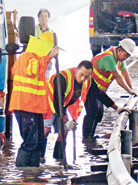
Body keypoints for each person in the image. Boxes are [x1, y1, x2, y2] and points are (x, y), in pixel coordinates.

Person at [44, 60, 130, 160]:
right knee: (46, 130)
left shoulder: (88, 81)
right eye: (81, 75)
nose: (82, 78)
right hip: (47, 104)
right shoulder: (62, 78)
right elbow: (57, 101)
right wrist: (66, 120)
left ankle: (58, 158)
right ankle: (39, 158)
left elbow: (99, 94)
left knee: (64, 131)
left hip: (61, 106)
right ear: (76, 70)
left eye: (86, 76)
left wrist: (117, 108)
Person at [9, 31, 59, 167]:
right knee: (30, 141)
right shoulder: (28, 57)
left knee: (38, 141)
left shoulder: (35, 59)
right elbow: (34, 69)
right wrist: (49, 57)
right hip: (24, 106)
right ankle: (23, 172)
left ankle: (33, 172)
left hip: (34, 107)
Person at [83, 38, 137, 139]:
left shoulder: (119, 60)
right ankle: (87, 138)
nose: (126, 58)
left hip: (100, 91)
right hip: (89, 88)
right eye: (125, 55)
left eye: (128, 56)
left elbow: (124, 73)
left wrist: (131, 88)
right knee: (92, 112)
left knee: (99, 114)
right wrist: (129, 91)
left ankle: (91, 135)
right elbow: (118, 77)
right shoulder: (109, 58)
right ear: (119, 50)